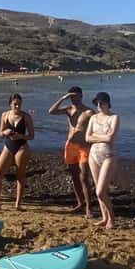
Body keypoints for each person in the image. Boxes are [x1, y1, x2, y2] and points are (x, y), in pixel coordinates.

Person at [48, 86, 93, 217]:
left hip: (84, 147)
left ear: (81, 96)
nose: (73, 99)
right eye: (71, 97)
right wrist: (63, 98)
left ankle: (89, 208)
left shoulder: (89, 112)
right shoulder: (69, 109)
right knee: (74, 176)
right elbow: (51, 111)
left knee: (84, 177)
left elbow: (97, 127)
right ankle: (80, 203)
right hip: (70, 146)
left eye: (75, 96)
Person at [0, 93, 35, 210]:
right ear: (10, 104)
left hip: (22, 147)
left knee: (20, 175)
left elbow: (31, 136)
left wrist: (20, 135)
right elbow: (0, 133)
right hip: (8, 146)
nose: (17, 107)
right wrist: (5, 132)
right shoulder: (4, 115)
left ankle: (18, 204)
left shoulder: (26, 117)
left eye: (19, 104)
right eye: (15, 104)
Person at [85, 91, 119, 229]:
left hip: (108, 155)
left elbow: (111, 138)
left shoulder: (114, 117)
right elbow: (87, 138)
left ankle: (112, 217)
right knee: (98, 189)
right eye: (97, 103)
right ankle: (104, 218)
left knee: (100, 191)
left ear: (107, 103)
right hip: (93, 155)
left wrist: (96, 136)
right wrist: (102, 137)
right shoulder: (93, 118)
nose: (99, 105)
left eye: (101, 102)